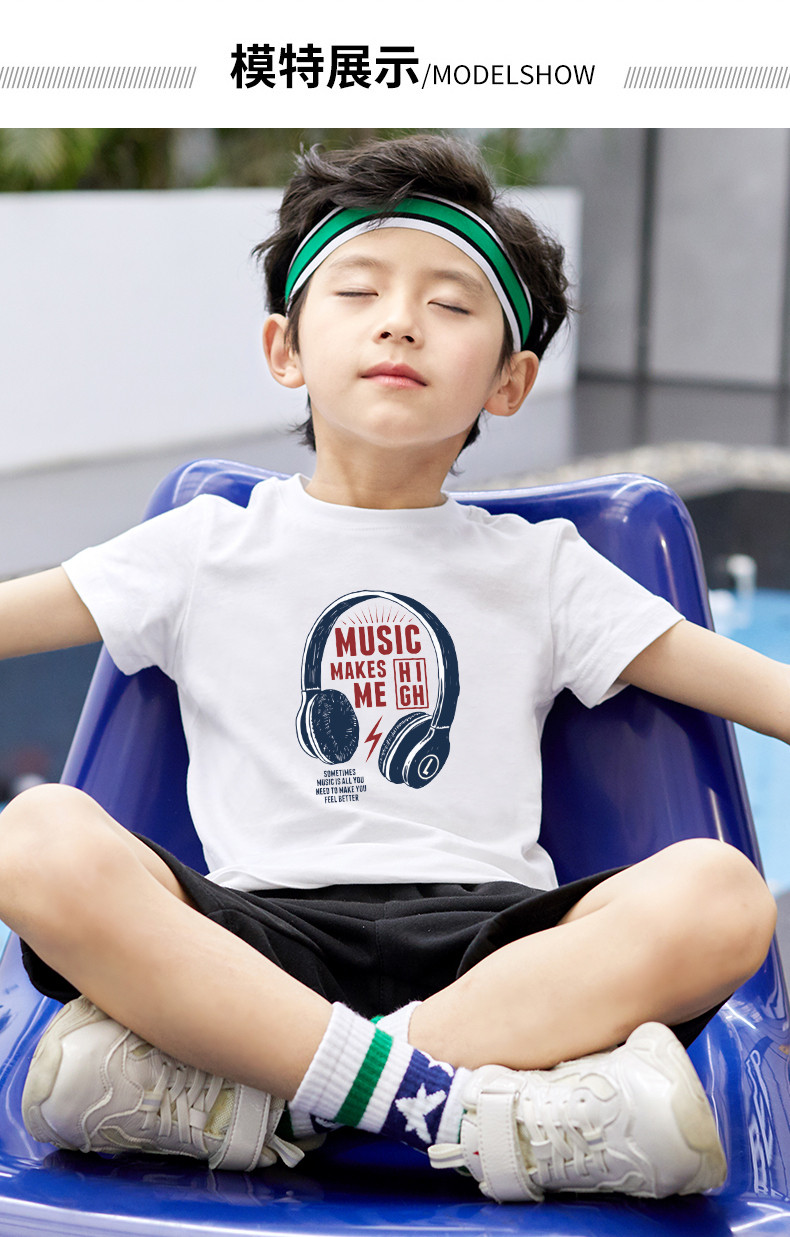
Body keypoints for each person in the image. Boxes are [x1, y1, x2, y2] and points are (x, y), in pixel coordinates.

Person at [0, 134, 779, 1204]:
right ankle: (462, 1113)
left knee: (723, 895)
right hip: (251, 945)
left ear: (510, 380)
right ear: (285, 348)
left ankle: (271, 1100)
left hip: (493, 956)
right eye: (359, 291)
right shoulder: (202, 547)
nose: (401, 320)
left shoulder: (544, 567)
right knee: (36, 835)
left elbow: (753, 685)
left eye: (452, 305)